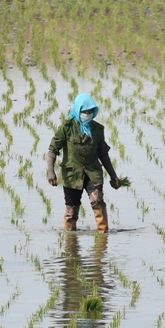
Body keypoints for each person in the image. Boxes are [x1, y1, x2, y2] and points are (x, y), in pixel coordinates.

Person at [46, 93, 120, 232]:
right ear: (78, 110)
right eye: (84, 111)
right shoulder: (66, 128)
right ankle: (70, 239)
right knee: (71, 210)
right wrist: (51, 172)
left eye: (90, 111)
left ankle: (103, 237)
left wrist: (113, 175)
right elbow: (52, 151)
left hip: (93, 172)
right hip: (72, 174)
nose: (87, 114)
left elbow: (103, 154)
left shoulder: (97, 130)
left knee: (97, 201)